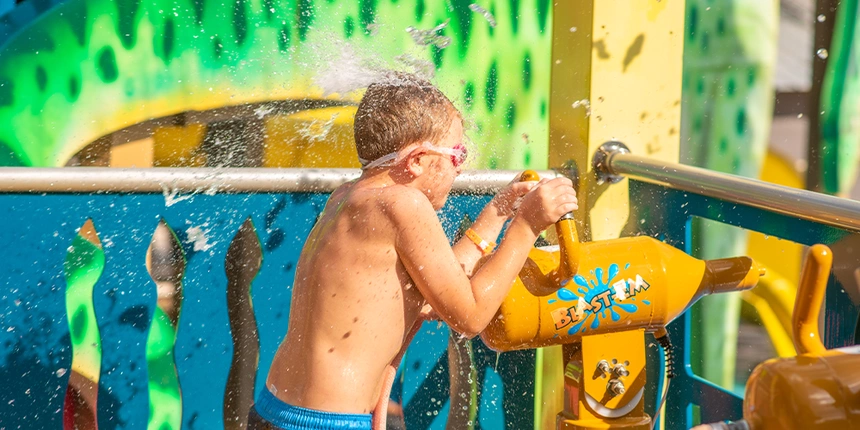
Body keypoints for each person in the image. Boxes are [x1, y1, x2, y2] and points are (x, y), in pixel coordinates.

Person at [249, 73, 578, 430]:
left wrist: (498, 212)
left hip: (273, 409)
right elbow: (469, 316)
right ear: (418, 160)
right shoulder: (403, 204)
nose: (460, 165)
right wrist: (527, 225)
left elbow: (438, 288)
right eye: (457, 153)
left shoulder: (347, 196)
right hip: (330, 423)